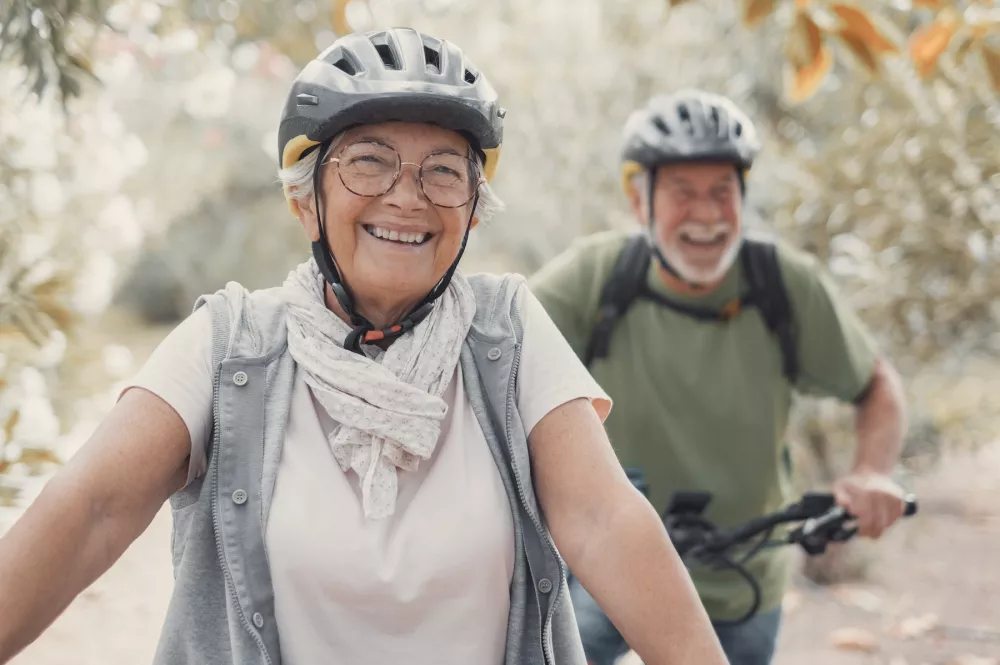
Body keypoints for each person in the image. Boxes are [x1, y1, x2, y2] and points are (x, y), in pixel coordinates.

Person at [0, 30, 729, 665]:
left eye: (444, 170)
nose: (407, 196)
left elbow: (605, 520)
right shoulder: (230, 345)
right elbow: (90, 507)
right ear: (305, 196)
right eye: (369, 162)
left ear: (472, 207)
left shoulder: (506, 331)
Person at [528, 89, 910, 665]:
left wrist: (873, 472)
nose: (706, 215)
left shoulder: (784, 285)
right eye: (683, 193)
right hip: (609, 571)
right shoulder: (596, 278)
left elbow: (875, 386)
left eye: (722, 193)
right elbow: (499, 361)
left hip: (745, 577)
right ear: (641, 204)